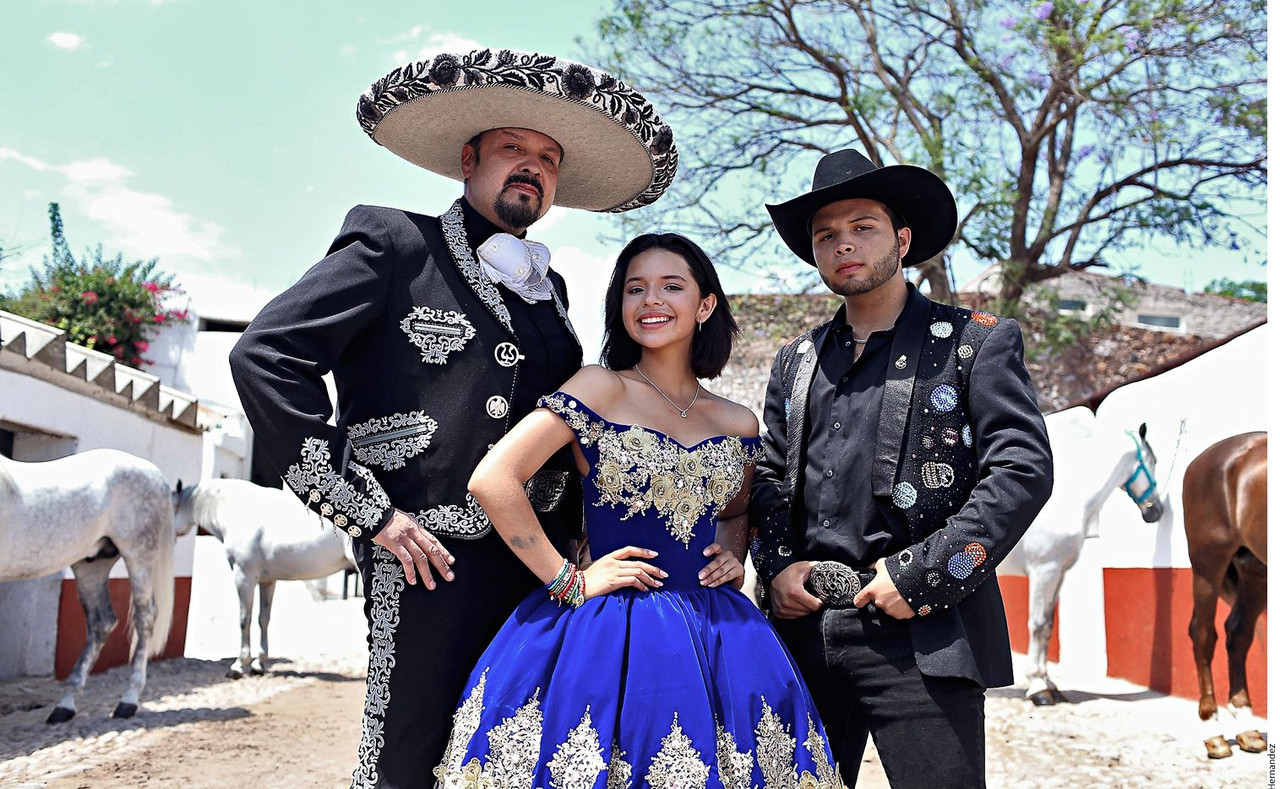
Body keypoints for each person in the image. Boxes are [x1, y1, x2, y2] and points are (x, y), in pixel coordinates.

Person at [228, 48, 677, 788]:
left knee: (511, 758)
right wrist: (371, 512)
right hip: (424, 560)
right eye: (512, 149)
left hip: (537, 568)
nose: (531, 165)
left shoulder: (552, 290)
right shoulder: (394, 244)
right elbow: (265, 358)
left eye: (547, 157)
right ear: (468, 159)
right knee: (407, 756)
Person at [433, 234, 843, 788]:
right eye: (635, 288)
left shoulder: (738, 421)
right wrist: (567, 581)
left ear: (705, 305)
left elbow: (738, 508)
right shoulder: (600, 387)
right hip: (605, 631)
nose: (651, 300)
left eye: (671, 286)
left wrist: (735, 554)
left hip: (718, 632)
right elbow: (494, 479)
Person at [750, 149, 1054, 788]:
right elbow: (772, 480)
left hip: (926, 636)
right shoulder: (794, 361)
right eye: (826, 235)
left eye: (863, 227)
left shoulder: (977, 340)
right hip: (805, 639)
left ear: (903, 239)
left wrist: (919, 576)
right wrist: (777, 571)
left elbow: (1022, 470)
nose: (844, 245)